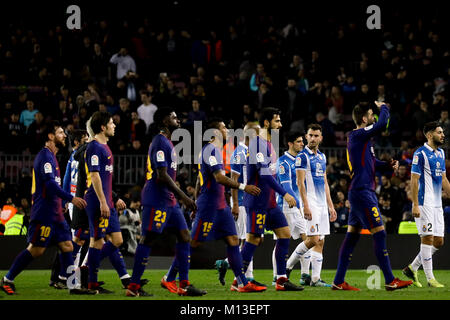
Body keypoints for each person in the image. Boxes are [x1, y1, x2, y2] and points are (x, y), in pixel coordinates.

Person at [0, 121, 91, 295]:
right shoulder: (44, 157)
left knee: (67, 246)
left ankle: (73, 286)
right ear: (50, 136)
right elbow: (49, 185)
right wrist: (70, 198)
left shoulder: (53, 157)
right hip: (44, 214)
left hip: (56, 214)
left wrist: (61, 204)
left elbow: (54, 186)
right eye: (60, 132)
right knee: (36, 250)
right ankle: (7, 279)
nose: (64, 135)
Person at [332, 101, 413, 291]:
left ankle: (338, 281)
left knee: (351, 238)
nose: (374, 117)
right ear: (363, 118)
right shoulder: (358, 134)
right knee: (380, 233)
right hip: (362, 193)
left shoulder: (363, 140)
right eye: (371, 114)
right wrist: (385, 106)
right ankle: (390, 280)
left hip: (359, 191)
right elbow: (382, 123)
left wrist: (386, 165)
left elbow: (371, 162)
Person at [126, 107, 206, 297]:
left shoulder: (168, 143)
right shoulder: (160, 142)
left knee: (185, 236)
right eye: (173, 116)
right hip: (156, 199)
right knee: (149, 239)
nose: (178, 120)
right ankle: (134, 286)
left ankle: (184, 285)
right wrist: (184, 197)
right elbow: (161, 175)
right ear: (163, 120)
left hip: (169, 201)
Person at [191, 118, 266, 293]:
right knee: (194, 243)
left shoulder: (216, 151)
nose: (227, 130)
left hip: (220, 203)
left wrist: (194, 200)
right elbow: (219, 178)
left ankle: (241, 283)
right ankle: (171, 277)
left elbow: (198, 180)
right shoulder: (210, 150)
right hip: (209, 203)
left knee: (234, 240)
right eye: (224, 127)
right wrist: (243, 187)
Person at [240, 107, 303, 291]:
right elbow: (265, 174)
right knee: (253, 240)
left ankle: (281, 279)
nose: (280, 124)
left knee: (284, 234)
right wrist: (285, 193)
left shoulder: (269, 144)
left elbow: (272, 175)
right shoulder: (257, 143)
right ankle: (240, 280)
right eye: (277, 121)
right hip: (258, 201)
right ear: (266, 123)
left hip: (270, 202)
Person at [284, 124, 337, 287]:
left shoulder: (322, 157)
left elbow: (325, 182)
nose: (313, 138)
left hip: (321, 205)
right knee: (312, 239)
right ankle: (287, 267)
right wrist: (305, 206)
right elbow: (300, 183)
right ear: (306, 137)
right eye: (310, 135)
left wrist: (331, 206)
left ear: (321, 138)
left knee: (320, 240)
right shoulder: (302, 156)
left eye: (316, 136)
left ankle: (315, 279)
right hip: (310, 203)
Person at [84, 111, 130, 293]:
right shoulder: (94, 147)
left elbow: (104, 179)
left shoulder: (105, 147)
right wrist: (103, 202)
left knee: (117, 240)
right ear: (103, 127)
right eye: (111, 123)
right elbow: (94, 176)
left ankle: (86, 270)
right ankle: (91, 280)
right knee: (97, 241)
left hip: (107, 200)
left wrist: (113, 198)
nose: (114, 126)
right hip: (97, 201)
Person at [402, 122, 449, 288]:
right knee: (427, 238)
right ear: (429, 135)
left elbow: (443, 179)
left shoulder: (441, 153)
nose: (443, 135)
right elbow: (413, 180)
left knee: (439, 241)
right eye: (439, 132)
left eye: (442, 132)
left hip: (437, 204)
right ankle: (430, 279)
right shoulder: (420, 154)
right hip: (423, 203)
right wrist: (415, 204)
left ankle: (412, 268)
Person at [214, 121, 261, 286]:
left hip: (252, 201)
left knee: (251, 239)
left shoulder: (252, 152)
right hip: (241, 202)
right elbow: (233, 181)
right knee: (245, 239)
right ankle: (242, 276)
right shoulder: (239, 153)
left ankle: (229, 265)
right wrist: (234, 204)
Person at [49, 129, 88, 289]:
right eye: (85, 140)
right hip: (77, 202)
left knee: (75, 241)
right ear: (77, 142)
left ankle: (60, 277)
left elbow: (66, 179)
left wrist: (64, 201)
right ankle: (66, 277)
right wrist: (66, 201)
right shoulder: (82, 156)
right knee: (76, 242)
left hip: (73, 202)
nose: (88, 142)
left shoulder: (73, 157)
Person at [272, 131, 307, 285]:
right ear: (290, 144)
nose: (302, 144)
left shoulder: (300, 160)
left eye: (302, 141)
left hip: (298, 207)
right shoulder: (283, 162)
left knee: (310, 239)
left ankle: (305, 275)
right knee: (281, 240)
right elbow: (286, 187)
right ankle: (276, 276)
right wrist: (300, 205)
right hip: (286, 207)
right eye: (299, 141)